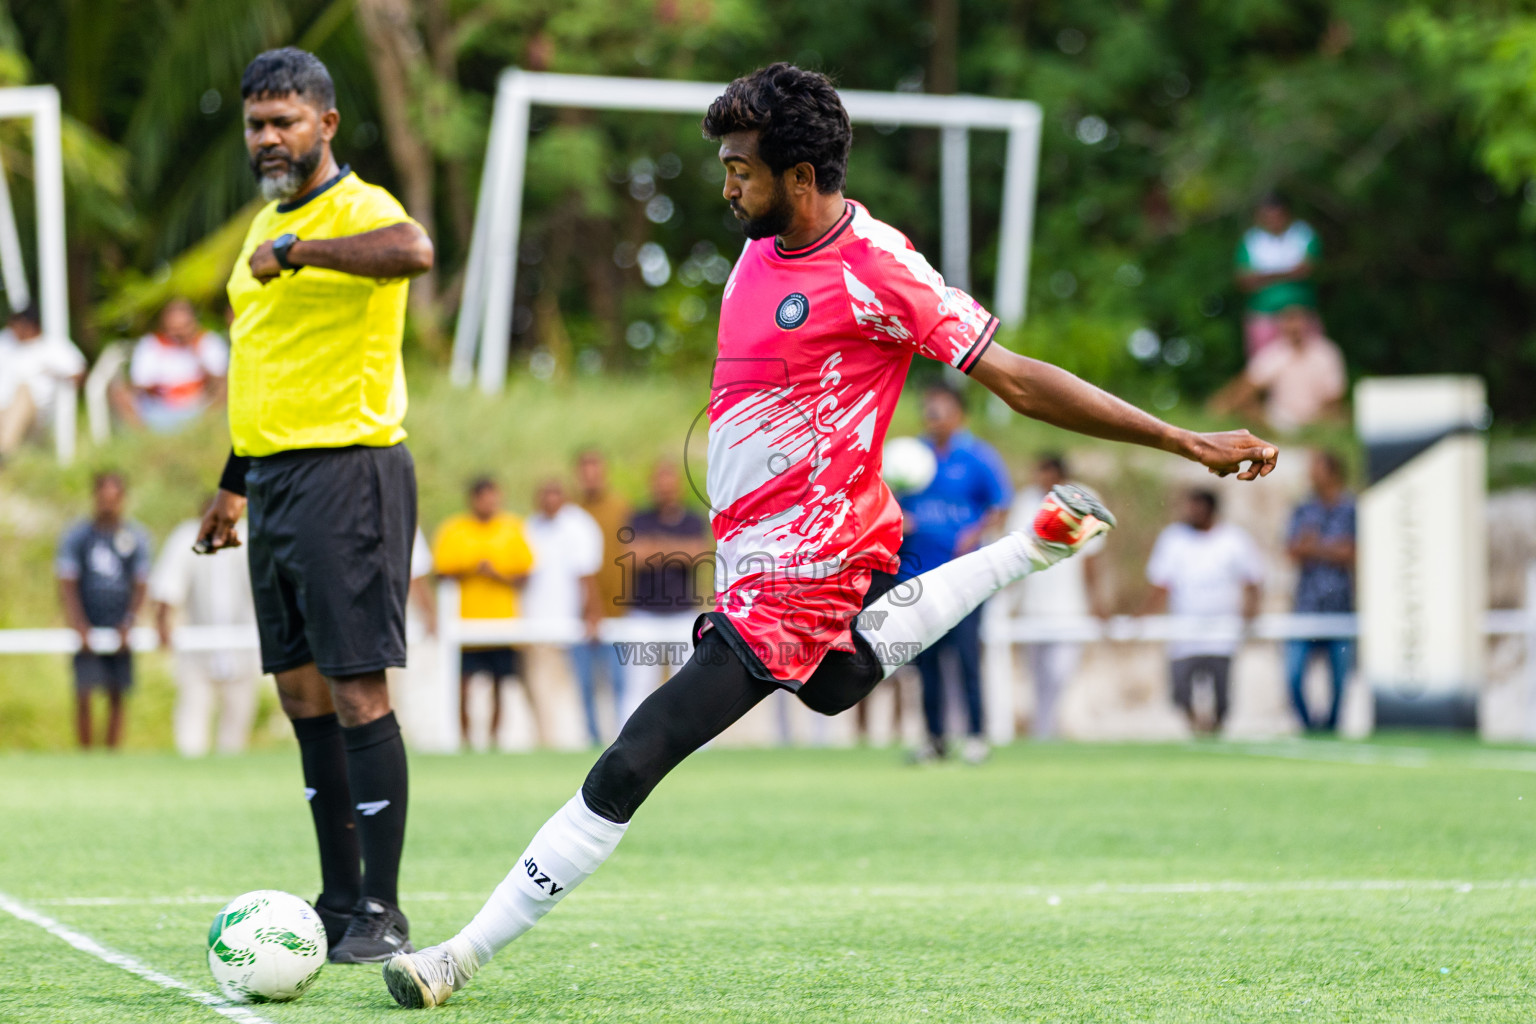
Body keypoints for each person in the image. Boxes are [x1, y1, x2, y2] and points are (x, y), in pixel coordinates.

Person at [382, 63, 1277, 1009]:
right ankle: (1033, 546)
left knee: (638, 751)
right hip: (752, 561)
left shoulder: (879, 268)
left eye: (741, 170)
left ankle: (457, 956)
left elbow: (1014, 378)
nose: (728, 188)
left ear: (801, 176)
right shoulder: (758, 250)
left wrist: (1184, 440)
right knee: (836, 684)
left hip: (808, 564)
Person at [193, 47, 434, 963]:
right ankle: (337, 901)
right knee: (299, 691)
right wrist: (232, 484)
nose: (267, 137)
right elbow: (264, 370)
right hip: (273, 480)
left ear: (325, 124)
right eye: (256, 123)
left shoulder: (358, 209)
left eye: (283, 121)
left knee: (355, 685)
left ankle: (383, 908)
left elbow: (414, 251)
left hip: (350, 470)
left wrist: (298, 253)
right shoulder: (263, 223)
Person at [899, 381, 1011, 764]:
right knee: (926, 663)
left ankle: (977, 737)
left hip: (965, 579)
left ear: (959, 412)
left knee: (966, 659)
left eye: (940, 407)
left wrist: (974, 533)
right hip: (917, 577)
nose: (932, 414)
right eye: (927, 407)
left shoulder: (978, 457)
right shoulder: (910, 456)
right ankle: (935, 740)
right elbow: (888, 500)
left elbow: (1000, 505)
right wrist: (899, 519)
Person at [1144, 489, 1264, 734]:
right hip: (1184, 633)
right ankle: (1195, 726)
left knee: (1221, 696)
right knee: (1181, 691)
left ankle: (1215, 731)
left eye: (1196, 507)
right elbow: (1161, 583)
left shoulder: (1233, 539)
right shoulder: (1174, 538)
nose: (1190, 513)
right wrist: (1142, 616)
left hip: (1221, 633)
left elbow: (1253, 578)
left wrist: (1251, 610)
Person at [1005, 454, 1107, 740]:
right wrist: (1008, 598)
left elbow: (1091, 559)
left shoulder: (1086, 499)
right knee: (1036, 676)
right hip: (1032, 607)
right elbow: (1015, 551)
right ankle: (1043, 731)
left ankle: (1047, 728)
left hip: (1070, 608)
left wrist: (1097, 602)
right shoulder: (1027, 501)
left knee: (1059, 674)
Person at [151, 496, 262, 757]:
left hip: (242, 650)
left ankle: (232, 778)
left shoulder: (249, 537)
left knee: (236, 732)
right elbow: (167, 587)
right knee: (192, 727)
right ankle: (191, 778)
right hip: (197, 652)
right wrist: (163, 623)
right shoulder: (187, 537)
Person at [430, 477, 535, 746]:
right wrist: (471, 569)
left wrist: (497, 574)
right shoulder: (454, 529)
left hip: (502, 622)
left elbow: (526, 574)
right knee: (463, 685)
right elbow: (440, 571)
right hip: (465, 622)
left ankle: (493, 740)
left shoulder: (512, 527)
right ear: (473, 499)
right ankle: (465, 740)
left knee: (500, 685)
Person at [56, 472, 151, 750]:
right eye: (103, 498)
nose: (108, 505)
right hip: (88, 620)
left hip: (120, 622)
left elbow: (141, 583)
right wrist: (78, 623)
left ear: (123, 499)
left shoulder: (135, 536)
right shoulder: (78, 536)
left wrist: (129, 621)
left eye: (114, 498)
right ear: (94, 497)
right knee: (84, 692)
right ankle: (86, 757)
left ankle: (112, 756)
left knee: (118, 693)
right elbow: (67, 582)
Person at [618, 461, 712, 727]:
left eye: (669, 485)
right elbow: (633, 556)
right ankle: (630, 740)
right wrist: (678, 550)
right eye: (660, 484)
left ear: (678, 487)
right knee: (638, 686)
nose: (664, 490)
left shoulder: (692, 520)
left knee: (690, 684)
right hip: (644, 616)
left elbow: (699, 554)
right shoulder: (639, 518)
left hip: (682, 614)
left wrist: (656, 546)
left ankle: (697, 743)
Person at [522, 478, 605, 740]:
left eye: (555, 493)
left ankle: (575, 743)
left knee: (574, 693)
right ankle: (546, 744)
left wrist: (592, 614)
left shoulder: (578, 525)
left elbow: (587, 574)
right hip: (536, 625)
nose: (549, 500)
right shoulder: (531, 525)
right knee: (540, 693)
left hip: (571, 626)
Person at [1285, 451, 1356, 732]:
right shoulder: (1303, 508)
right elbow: (1292, 550)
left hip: (1341, 606)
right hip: (1306, 606)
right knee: (1293, 676)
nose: (1311, 475)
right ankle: (1308, 725)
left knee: (1340, 682)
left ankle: (1331, 728)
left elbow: (1352, 553)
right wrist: (1332, 548)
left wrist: (1314, 547)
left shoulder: (1352, 509)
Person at [1209, 305, 1347, 432]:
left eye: (1297, 319)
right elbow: (1248, 383)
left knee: (1340, 415)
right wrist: (1221, 407)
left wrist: (1319, 422)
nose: (1294, 325)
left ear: (1307, 322)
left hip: (1317, 420)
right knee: (1249, 408)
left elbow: (1334, 398)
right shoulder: (1274, 353)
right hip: (1279, 420)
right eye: (1289, 319)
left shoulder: (1326, 352)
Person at [574, 450, 631, 744]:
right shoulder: (572, 511)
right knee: (585, 684)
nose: (591, 477)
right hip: (580, 612)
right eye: (585, 470)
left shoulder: (622, 508)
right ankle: (592, 740)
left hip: (620, 609)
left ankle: (623, 739)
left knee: (620, 683)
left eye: (595, 469)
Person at [111, 298, 229, 433]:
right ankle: (147, 438)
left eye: (184, 327)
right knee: (119, 393)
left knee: (228, 385)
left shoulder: (207, 341)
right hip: (160, 409)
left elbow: (219, 380)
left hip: (202, 406)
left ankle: (207, 429)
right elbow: (140, 384)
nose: (179, 333)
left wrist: (195, 350)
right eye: (174, 329)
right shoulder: (151, 345)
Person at [1234, 193, 1322, 358]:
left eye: (1277, 215)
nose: (1273, 220)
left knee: (1312, 361)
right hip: (1264, 316)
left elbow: (1305, 270)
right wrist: (1288, 272)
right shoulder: (1250, 241)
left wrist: (1264, 275)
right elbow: (1244, 281)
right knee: (1266, 366)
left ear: (1287, 213)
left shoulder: (1303, 234)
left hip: (1302, 313)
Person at [0, 304, 85, 460]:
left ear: (30, 326)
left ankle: (4, 453)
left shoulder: (51, 346)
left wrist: (57, 376)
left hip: (34, 414)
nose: (13, 330)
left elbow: (78, 372)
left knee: (23, 392)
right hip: (3, 409)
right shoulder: (6, 342)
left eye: (17, 326)